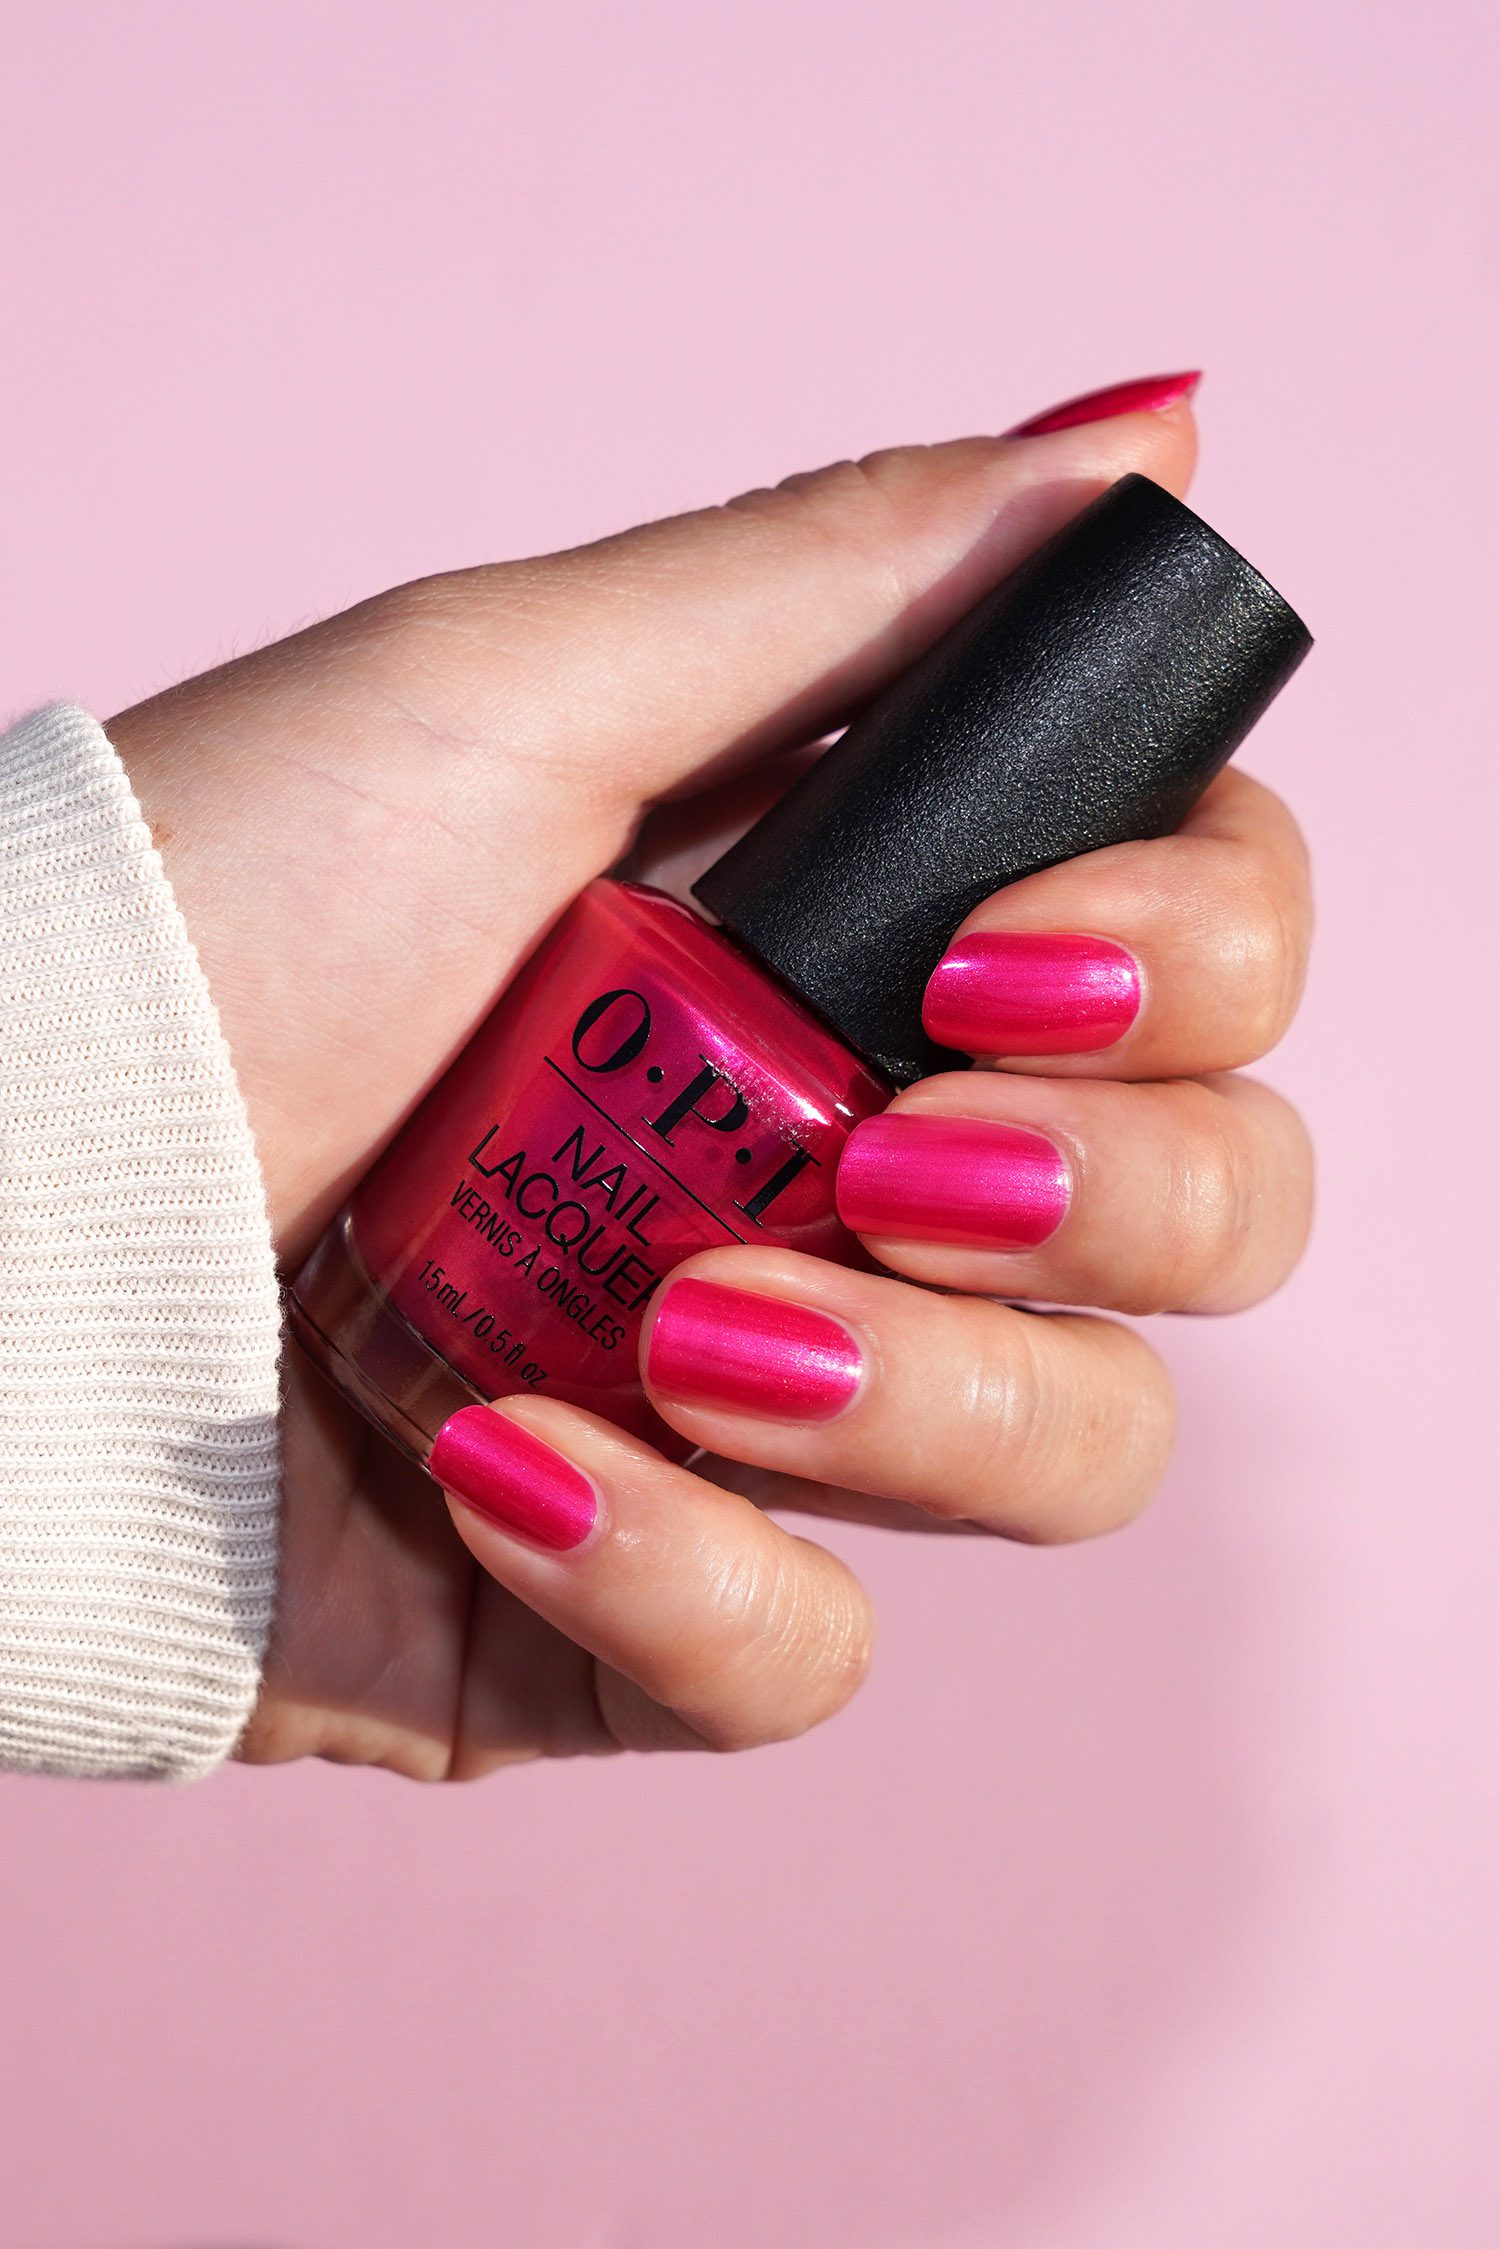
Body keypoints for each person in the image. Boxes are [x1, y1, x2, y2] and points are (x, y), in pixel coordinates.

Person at [0, 377, 1313, 1781]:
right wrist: (98, 1037)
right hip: (315, 1329)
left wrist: (110, 1517)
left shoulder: (715, 1008)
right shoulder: (634, 936)